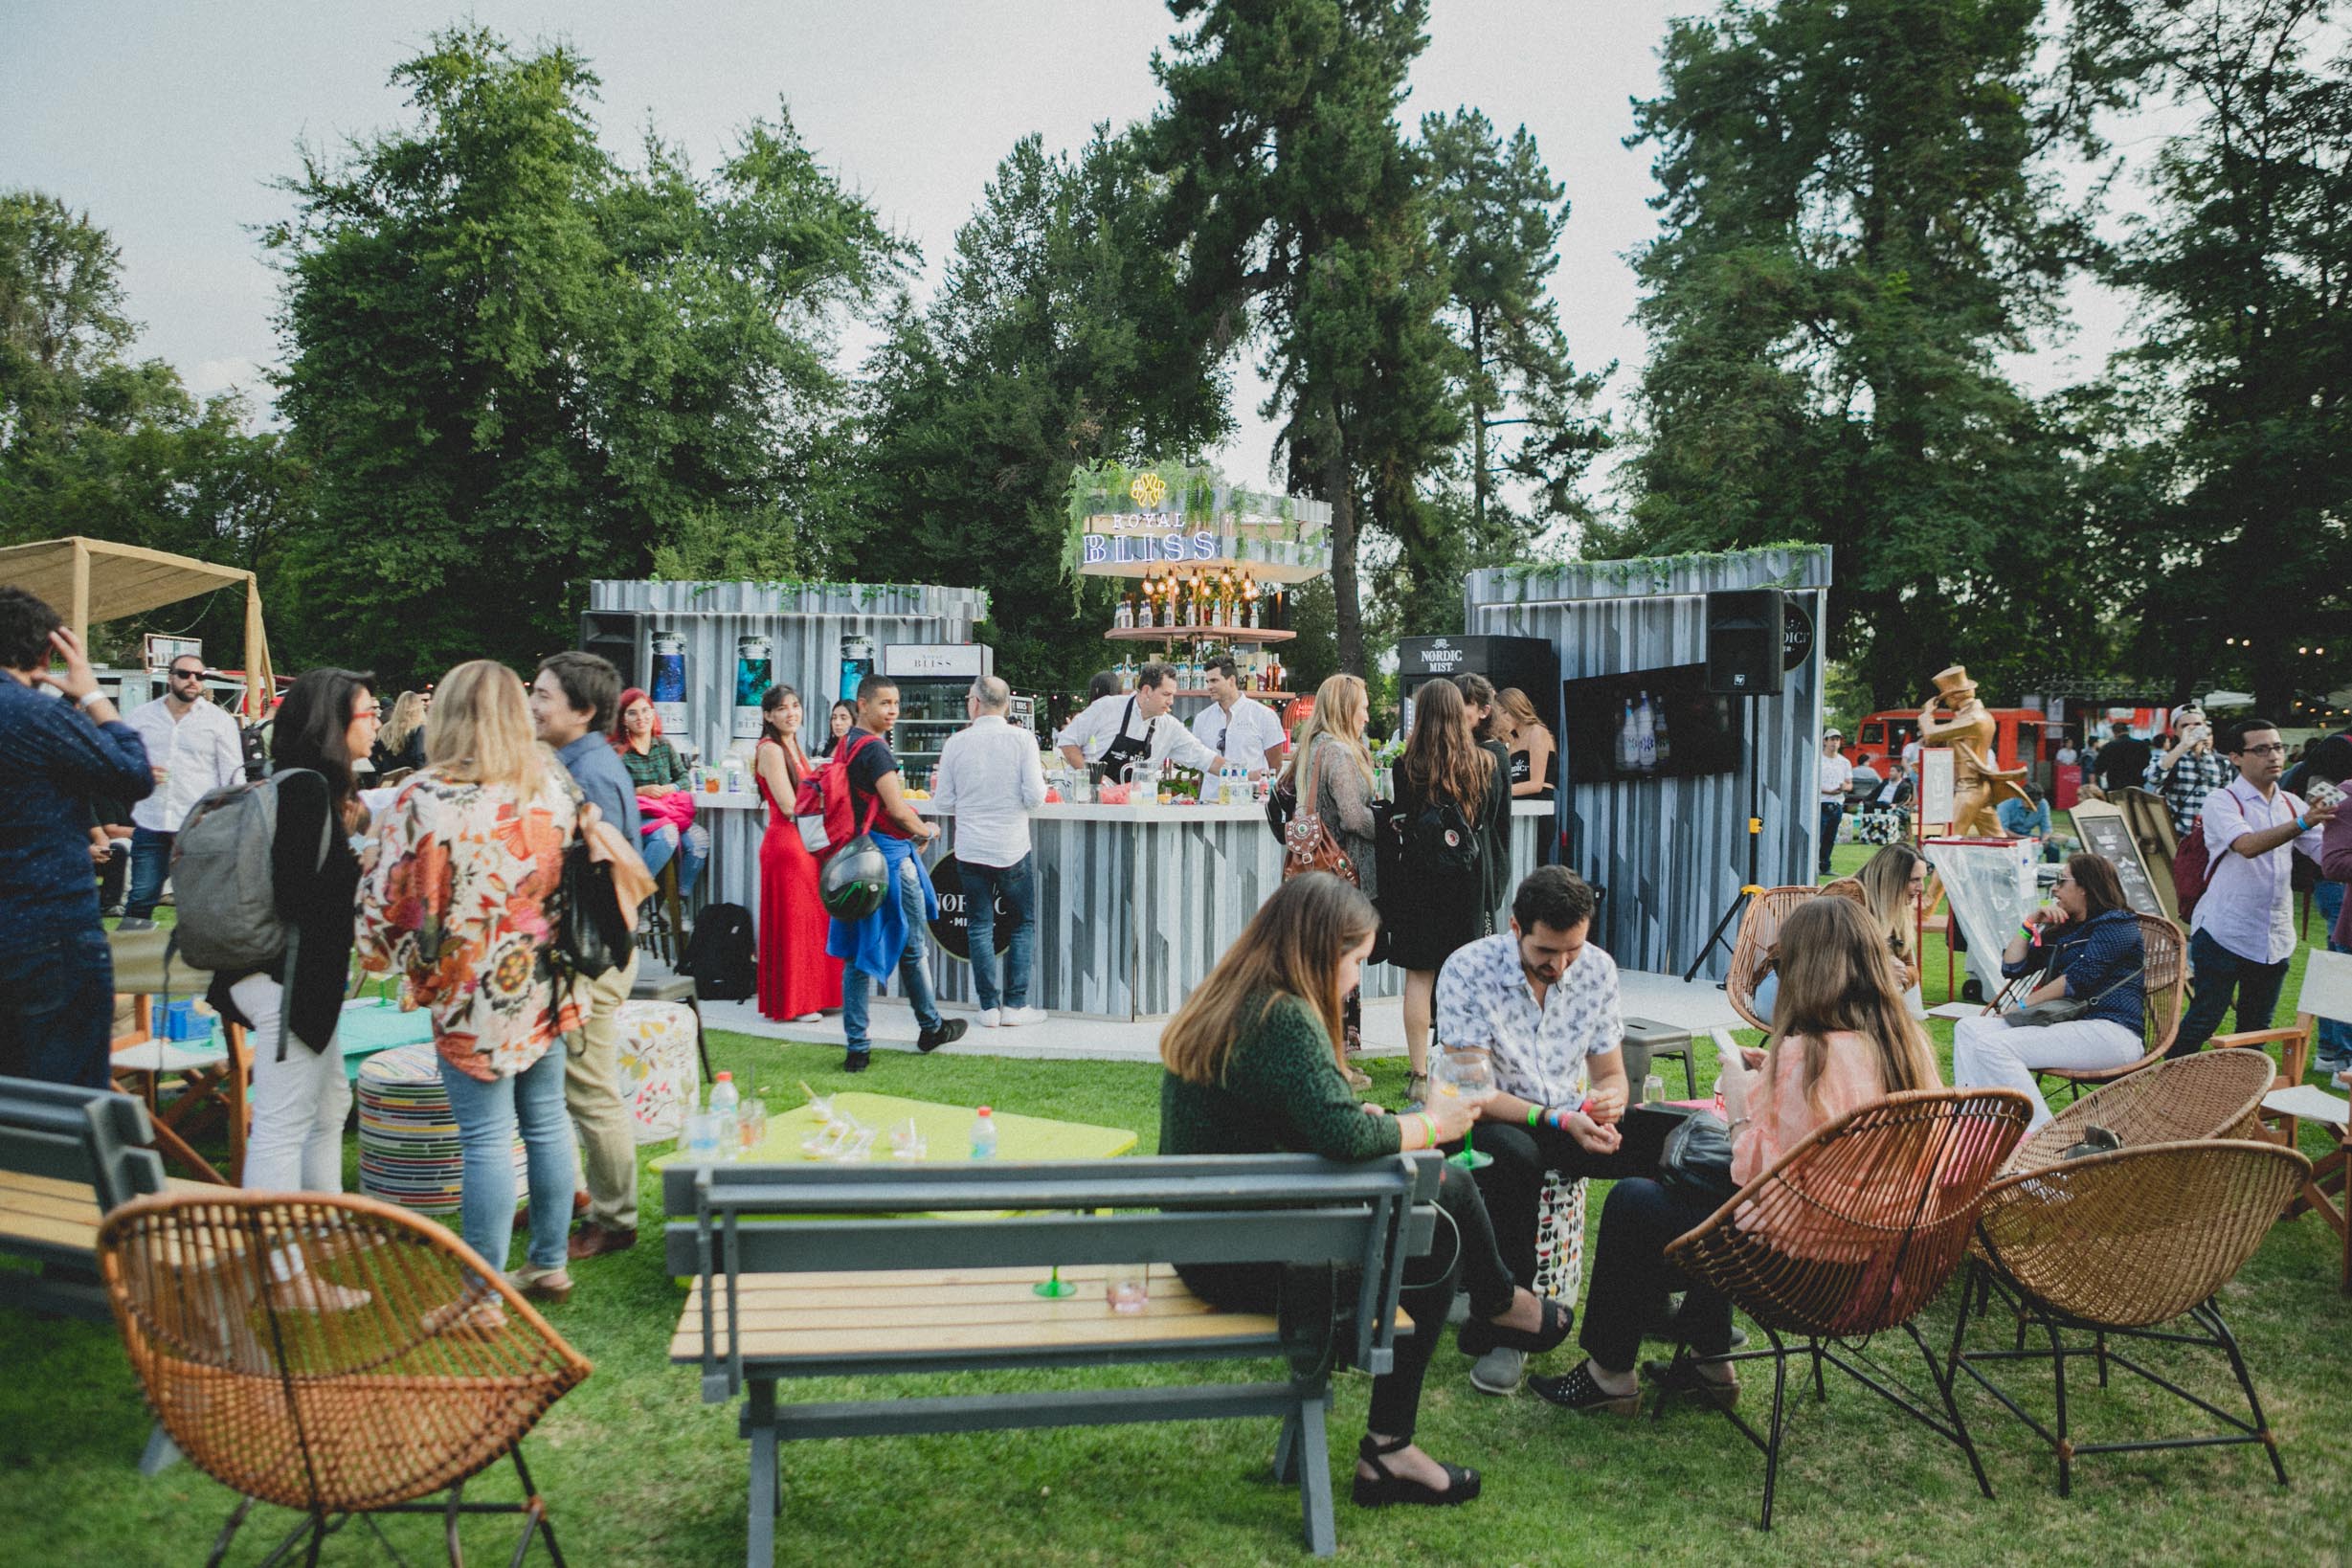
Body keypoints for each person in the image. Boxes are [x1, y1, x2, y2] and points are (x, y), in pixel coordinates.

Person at [1158, 873, 1572, 1508]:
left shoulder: (1229, 998)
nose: (1355, 981)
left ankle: (1491, 1309)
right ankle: (1396, 1438)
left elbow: (1276, 1120)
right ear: (1321, 951)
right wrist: (1432, 1124)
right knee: (1441, 1223)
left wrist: (1364, 1123)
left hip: (1212, 1245)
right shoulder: (1283, 1017)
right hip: (1252, 1262)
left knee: (1442, 1194)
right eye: (1355, 963)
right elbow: (1344, 1136)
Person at [1535, 897, 1942, 1413]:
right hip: (1881, 1261)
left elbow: (1753, 1176)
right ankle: (1710, 1363)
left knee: (1637, 1202)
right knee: (1694, 1184)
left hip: (1803, 1270)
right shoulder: (1907, 1049)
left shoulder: (1808, 1058)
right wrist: (1773, 1073)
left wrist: (1740, 1102)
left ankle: (1610, 1375)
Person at [358, 660, 589, 1321]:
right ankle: (548, 1262)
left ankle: (481, 1297)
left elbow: (387, 902)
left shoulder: (424, 795)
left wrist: (392, 955)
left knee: (485, 1139)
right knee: (546, 1121)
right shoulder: (551, 782)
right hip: (545, 974)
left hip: (470, 986)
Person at [1435, 866, 1644, 1393]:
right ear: (1515, 927)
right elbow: (1472, 1091)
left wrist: (1611, 1100)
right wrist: (1557, 1118)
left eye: (1573, 949)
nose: (1561, 965)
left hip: (1569, 1117)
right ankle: (1511, 1322)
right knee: (1515, 1156)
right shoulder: (1468, 969)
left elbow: (1610, 1073)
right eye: (1547, 951)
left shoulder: (1597, 970)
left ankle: (1661, 1300)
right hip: (1488, 1120)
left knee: (1664, 1146)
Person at [208, 667, 376, 1310]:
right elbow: (301, 896)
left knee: (328, 1104)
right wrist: (364, 869)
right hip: (283, 979)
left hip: (298, 980)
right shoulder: (305, 790)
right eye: (367, 712)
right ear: (333, 723)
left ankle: (322, 1230)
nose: (377, 722)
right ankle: (282, 1277)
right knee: (280, 1125)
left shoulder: (310, 787)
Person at [0, 589, 151, 1086]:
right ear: (48, 653)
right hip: (46, 931)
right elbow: (133, 773)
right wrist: (91, 695)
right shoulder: (35, 714)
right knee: (64, 1093)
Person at [528, 651, 643, 1262]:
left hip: (591, 956)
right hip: (583, 954)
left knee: (591, 1089)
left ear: (584, 711)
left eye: (544, 696)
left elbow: (602, 883)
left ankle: (616, 1217)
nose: (533, 705)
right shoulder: (574, 763)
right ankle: (570, 1191)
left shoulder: (588, 776)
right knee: (563, 1085)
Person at [2171, 717, 2338, 1056]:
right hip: (2224, 931)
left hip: (2273, 936)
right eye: (2261, 750)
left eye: (2277, 747)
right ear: (2235, 757)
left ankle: (2243, 1091)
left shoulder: (2291, 803)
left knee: (2256, 1028)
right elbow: (2246, 845)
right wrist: (2303, 822)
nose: (2273, 756)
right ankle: (2168, 1084)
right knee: (2204, 1019)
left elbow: (2325, 856)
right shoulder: (2222, 801)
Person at [829, 673, 968, 1071]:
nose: (893, 711)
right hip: (889, 860)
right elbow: (896, 809)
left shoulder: (846, 744)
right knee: (912, 946)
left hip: (854, 859)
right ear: (863, 705)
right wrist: (927, 830)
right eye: (885, 703)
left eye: (896, 703)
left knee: (857, 954)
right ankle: (931, 1026)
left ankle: (857, 1046)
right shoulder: (876, 750)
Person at [1953, 854, 2147, 1128]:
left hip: (2112, 1033)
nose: (2054, 889)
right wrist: (2030, 924)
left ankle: (2041, 1137)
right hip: (2064, 1025)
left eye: (2061, 880)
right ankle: (1974, 1125)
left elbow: (2078, 979)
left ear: (2086, 887)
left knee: (1994, 1047)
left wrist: (2021, 1006)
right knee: (1968, 1028)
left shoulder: (2117, 924)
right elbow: (2012, 967)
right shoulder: (2067, 927)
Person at [1389, 679, 1510, 1107]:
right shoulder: (1485, 763)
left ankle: (1419, 1074)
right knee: (1471, 976)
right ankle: (1468, 1065)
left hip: (1419, 881)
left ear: (1422, 715)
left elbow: (1403, 821)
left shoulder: (1405, 766)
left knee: (1419, 977)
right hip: (1469, 881)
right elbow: (1490, 825)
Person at [932, 674, 1046, 1027]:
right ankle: (1015, 1005)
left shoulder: (956, 743)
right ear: (1007, 704)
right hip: (1012, 846)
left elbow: (943, 801)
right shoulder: (1022, 740)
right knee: (1021, 924)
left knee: (979, 926)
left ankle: (988, 1008)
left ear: (975, 703)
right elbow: (1036, 797)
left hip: (970, 848)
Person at [1284, 674, 1380, 1090]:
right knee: (1339, 968)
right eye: (1362, 707)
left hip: (1313, 874)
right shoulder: (1339, 753)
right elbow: (1354, 818)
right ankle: (1337, 1065)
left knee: (1319, 966)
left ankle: (1322, 1057)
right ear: (1345, 708)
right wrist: (1392, 824)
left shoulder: (1313, 746)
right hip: (1341, 873)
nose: (1367, 715)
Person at [119, 650, 246, 923]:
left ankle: (197, 947)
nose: (193, 680)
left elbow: (234, 776)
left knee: (199, 898)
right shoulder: (141, 717)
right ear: (170, 678)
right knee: (141, 895)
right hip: (151, 820)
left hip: (196, 824)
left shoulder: (219, 721)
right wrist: (141, 771)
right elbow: (121, 761)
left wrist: (232, 820)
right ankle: (130, 947)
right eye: (185, 674)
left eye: (199, 676)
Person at [751, 684, 841, 1024]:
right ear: (768, 715)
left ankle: (816, 995)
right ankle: (798, 1002)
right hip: (787, 844)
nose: (791, 713)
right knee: (796, 924)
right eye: (782, 708)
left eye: (795, 705)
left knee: (812, 921)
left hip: (804, 842)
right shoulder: (771, 749)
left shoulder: (792, 745)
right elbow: (789, 805)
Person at [1053, 661, 1229, 779]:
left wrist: (1240, 775)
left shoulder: (1169, 727)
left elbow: (1206, 759)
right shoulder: (1107, 707)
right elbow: (1068, 741)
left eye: (1173, 695)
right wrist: (1095, 779)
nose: (1171, 701)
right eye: (1166, 694)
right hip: (1087, 802)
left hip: (1131, 806)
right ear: (1146, 691)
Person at [613, 686, 709, 897]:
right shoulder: (618, 752)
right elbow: (612, 792)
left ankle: (676, 901)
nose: (641, 718)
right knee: (667, 834)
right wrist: (640, 790)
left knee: (699, 839)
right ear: (623, 719)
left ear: (653, 712)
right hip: (637, 818)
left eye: (645, 711)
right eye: (632, 713)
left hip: (668, 812)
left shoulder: (663, 745)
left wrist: (671, 787)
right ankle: (634, 898)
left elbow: (684, 778)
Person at [2300, 735, 2352, 1078]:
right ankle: (2339, 1058)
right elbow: (2332, 859)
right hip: (2328, 883)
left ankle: (2329, 1051)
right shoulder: (2339, 792)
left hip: (2323, 881)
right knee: (2340, 971)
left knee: (2338, 970)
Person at [2142, 704, 2231, 841]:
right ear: (2175, 731)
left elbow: (2227, 801)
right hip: (2175, 838)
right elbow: (2153, 777)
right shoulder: (2169, 758)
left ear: (2205, 727)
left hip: (2209, 839)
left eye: (2197, 724)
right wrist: (2183, 745)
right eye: (2185, 726)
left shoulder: (2221, 762)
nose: (2193, 728)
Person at [1190, 656, 1286, 773]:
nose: (1209, 687)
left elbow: (1275, 765)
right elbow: (1200, 762)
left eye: (1214, 681)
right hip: (1212, 786)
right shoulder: (1202, 718)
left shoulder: (1263, 715)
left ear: (1231, 680)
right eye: (1207, 682)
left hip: (1251, 785)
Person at [1493, 687, 1557, 799]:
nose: (1501, 720)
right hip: (1516, 804)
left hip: (1538, 804)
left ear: (1516, 708)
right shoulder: (1511, 740)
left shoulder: (1537, 732)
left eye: (1504, 712)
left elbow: (1536, 784)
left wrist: (1499, 791)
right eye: (1497, 716)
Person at [1817, 729, 1852, 875]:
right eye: (1831, 739)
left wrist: (1844, 787)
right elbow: (1813, 783)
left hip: (1837, 803)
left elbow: (1850, 784)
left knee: (1830, 838)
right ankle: (1813, 865)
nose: (1834, 743)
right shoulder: (1818, 760)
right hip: (1821, 802)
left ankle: (1825, 866)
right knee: (1818, 836)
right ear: (1825, 741)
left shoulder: (1844, 762)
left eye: (1837, 740)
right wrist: (1827, 791)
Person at [2090, 718, 2150, 798]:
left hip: (2116, 787)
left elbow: (2099, 767)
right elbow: (2147, 764)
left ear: (2114, 732)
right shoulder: (2141, 745)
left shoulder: (2109, 746)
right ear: (2128, 731)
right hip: (2137, 785)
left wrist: (2094, 783)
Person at [371, 689, 428, 774]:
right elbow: (420, 758)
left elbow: (372, 753)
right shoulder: (420, 729)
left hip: (390, 778)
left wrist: (380, 772)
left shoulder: (386, 729)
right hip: (411, 777)